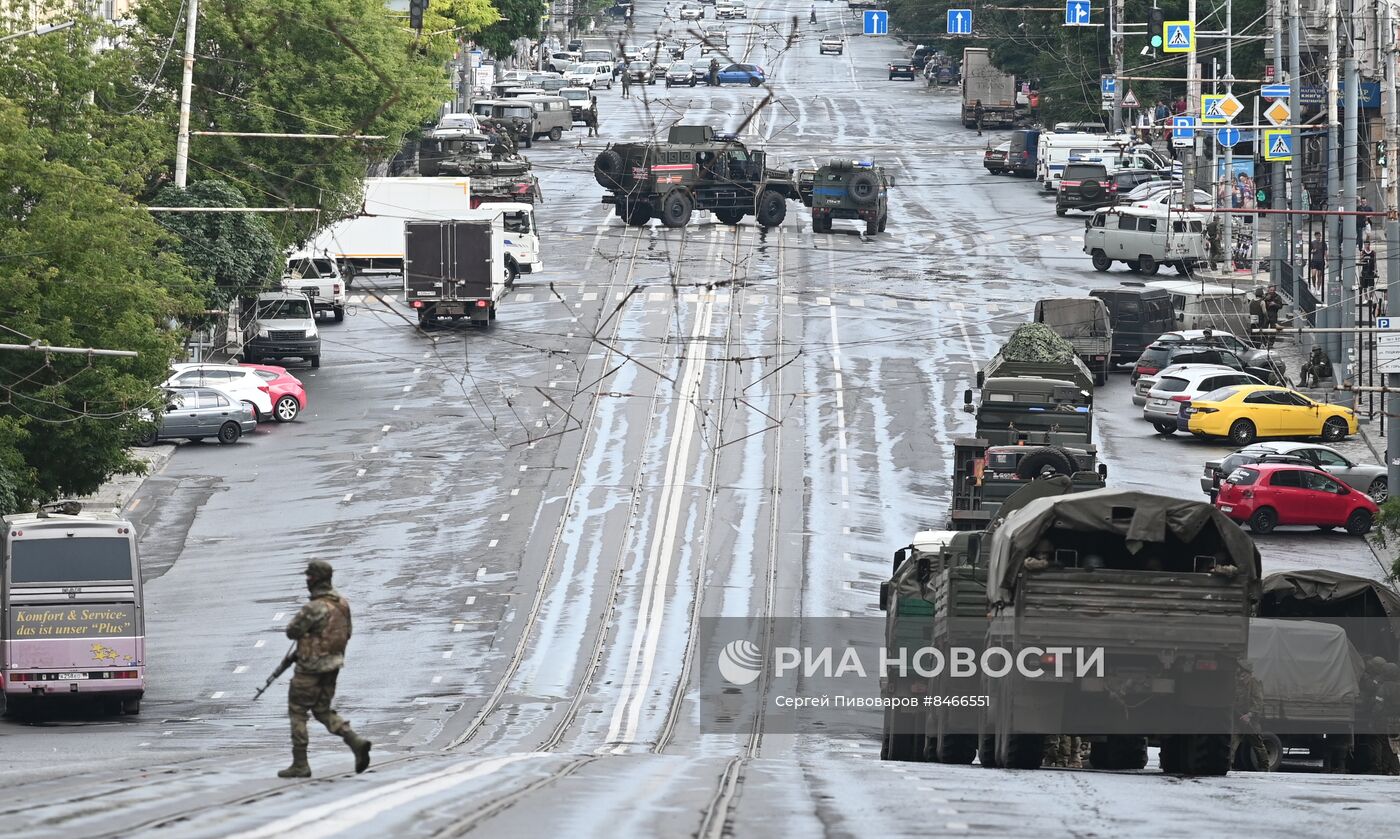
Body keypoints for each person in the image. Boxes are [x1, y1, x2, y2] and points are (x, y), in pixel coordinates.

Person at [278, 560, 371, 778]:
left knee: (298, 711)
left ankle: (300, 763)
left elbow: (292, 631)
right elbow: (347, 632)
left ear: (315, 579)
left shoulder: (315, 607)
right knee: (322, 710)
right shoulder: (342, 604)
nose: (307, 581)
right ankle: (355, 741)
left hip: (309, 669)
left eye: (309, 577)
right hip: (332, 667)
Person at [1232, 661, 1270, 771]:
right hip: (1238, 719)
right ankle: (1228, 766)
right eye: (1240, 673)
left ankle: (1265, 768)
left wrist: (1249, 715)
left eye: (1244, 673)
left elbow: (1258, 702)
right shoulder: (1237, 684)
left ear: (1249, 673)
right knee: (1232, 745)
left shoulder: (1255, 684)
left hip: (1251, 721)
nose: (1241, 676)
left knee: (1258, 745)